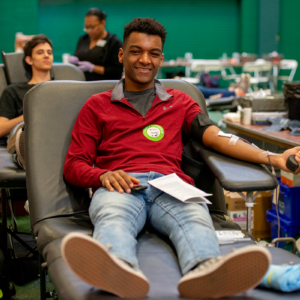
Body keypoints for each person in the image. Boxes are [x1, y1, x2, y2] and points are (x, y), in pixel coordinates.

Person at [61, 18, 300, 299]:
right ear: (121, 54)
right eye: (136, 51)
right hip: (121, 184)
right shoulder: (97, 106)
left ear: (161, 58)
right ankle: (117, 270)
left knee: (195, 220)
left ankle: (207, 272)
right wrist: (101, 175)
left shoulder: (179, 101)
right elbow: (74, 164)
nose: (144, 60)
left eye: (153, 53)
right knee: (113, 219)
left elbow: (217, 137)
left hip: (171, 186)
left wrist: (273, 157)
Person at [0, 34, 53, 168]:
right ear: (29, 60)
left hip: (57, 133)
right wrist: (29, 117)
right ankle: (26, 151)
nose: (46, 55)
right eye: (40, 52)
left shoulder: (64, 90)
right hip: (27, 133)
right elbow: (1, 128)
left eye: (49, 52)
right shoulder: (13, 91)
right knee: (24, 130)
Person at [69, 7, 123, 81]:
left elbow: (117, 71)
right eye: (86, 27)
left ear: (103, 23)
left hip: (104, 86)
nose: (89, 31)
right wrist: (74, 61)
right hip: (82, 84)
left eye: (92, 27)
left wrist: (93, 68)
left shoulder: (113, 42)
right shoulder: (83, 39)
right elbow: (77, 56)